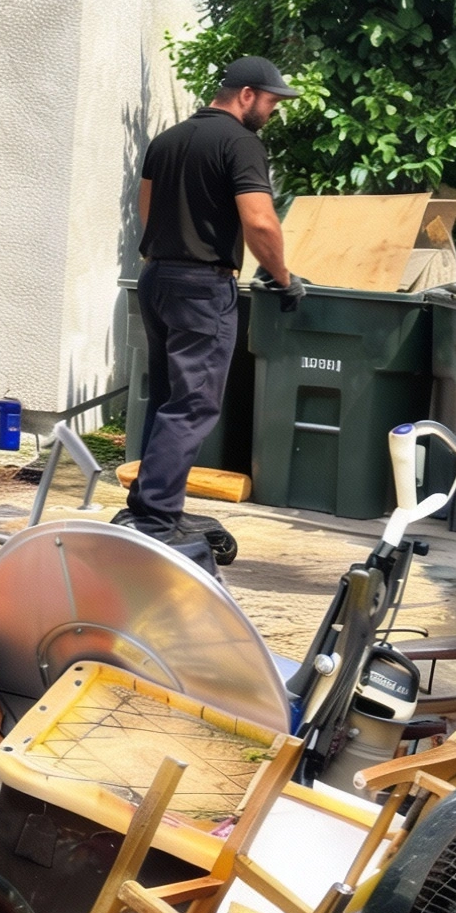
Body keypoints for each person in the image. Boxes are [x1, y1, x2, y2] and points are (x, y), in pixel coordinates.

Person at [123, 57, 301, 547]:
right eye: (271, 101)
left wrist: (170, 247)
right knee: (194, 405)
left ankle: (146, 504)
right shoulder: (241, 143)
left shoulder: (167, 140)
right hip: (202, 286)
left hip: (157, 275)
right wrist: (283, 277)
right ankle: (155, 520)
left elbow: (147, 207)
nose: (273, 110)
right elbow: (261, 222)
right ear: (246, 94)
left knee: (167, 400)